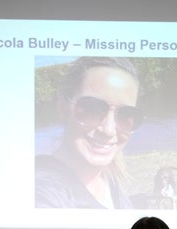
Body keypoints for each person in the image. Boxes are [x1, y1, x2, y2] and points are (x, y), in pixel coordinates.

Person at [35, 56, 144, 209]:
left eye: (126, 115)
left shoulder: (111, 183)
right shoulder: (42, 194)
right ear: (62, 107)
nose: (108, 130)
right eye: (92, 109)